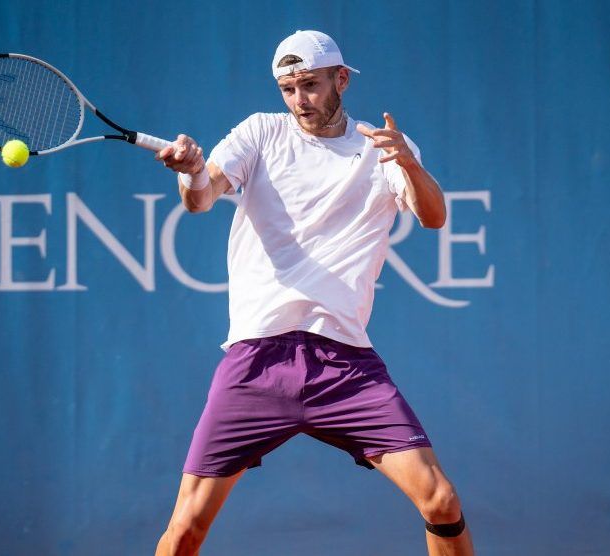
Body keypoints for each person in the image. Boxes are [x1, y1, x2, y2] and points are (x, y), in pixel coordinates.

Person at [154, 30, 473, 556]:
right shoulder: (259, 134)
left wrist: (409, 164)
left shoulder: (384, 148)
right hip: (257, 361)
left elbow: (433, 217)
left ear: (340, 80)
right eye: (288, 88)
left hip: (344, 363)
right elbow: (202, 197)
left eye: (310, 84)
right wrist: (191, 173)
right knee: (186, 527)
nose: (300, 100)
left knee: (440, 500)